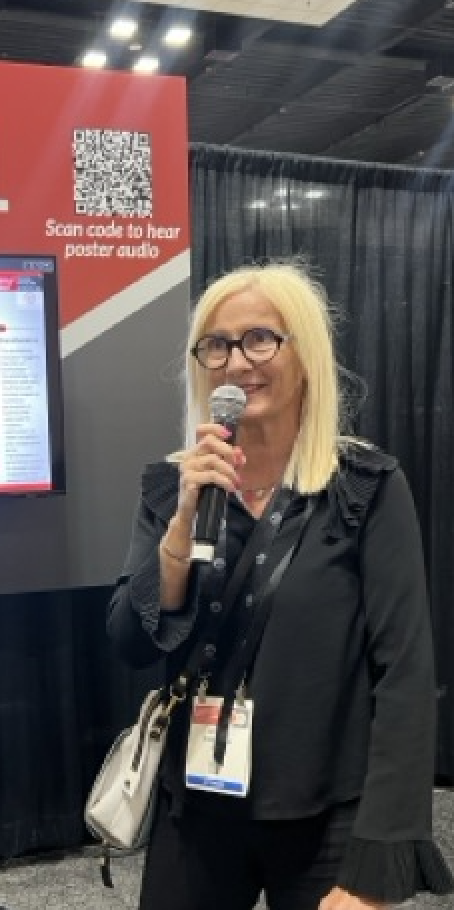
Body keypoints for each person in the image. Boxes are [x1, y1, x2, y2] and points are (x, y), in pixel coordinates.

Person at [106, 262, 454, 910]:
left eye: (260, 339)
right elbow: (130, 641)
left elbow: (405, 674)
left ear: (306, 356)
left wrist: (378, 858)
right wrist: (180, 529)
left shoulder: (365, 490)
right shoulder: (174, 489)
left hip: (326, 810)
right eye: (217, 344)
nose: (237, 362)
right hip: (200, 804)